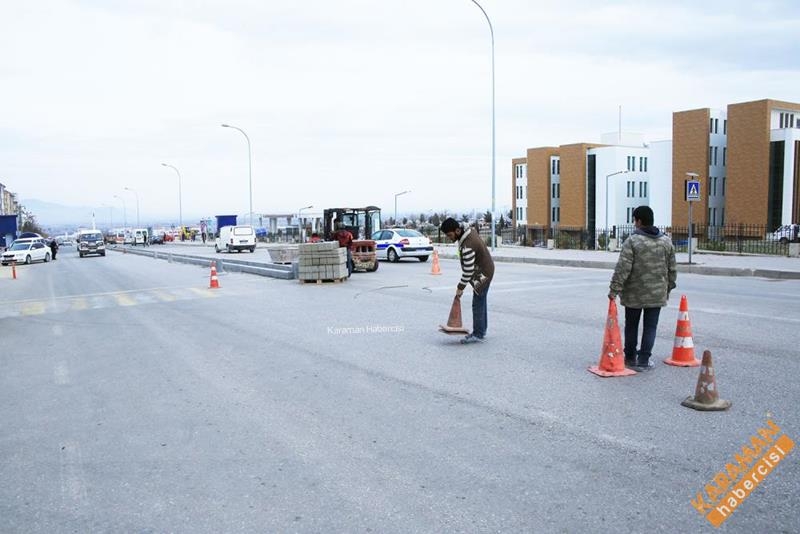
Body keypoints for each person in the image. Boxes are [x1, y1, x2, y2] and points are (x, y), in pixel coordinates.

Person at [608, 205, 677, 371]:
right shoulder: (666, 242)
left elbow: (623, 268)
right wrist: (667, 289)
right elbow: (672, 270)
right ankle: (644, 360)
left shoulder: (632, 241)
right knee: (650, 327)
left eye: (634, 220)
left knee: (631, 326)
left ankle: (630, 358)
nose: (634, 224)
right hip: (657, 294)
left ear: (638, 221)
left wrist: (614, 290)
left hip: (634, 294)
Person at [440, 217, 495, 344]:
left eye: (450, 235)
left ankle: (478, 334)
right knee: (481, 301)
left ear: (457, 230)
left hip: (483, 274)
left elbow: (468, 270)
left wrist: (460, 288)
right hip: (484, 269)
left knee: (478, 303)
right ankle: (482, 330)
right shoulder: (468, 232)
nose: (449, 238)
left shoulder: (468, 245)